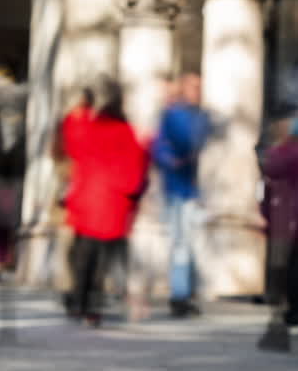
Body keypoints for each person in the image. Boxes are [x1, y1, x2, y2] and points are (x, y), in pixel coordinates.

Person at [61, 80, 147, 327]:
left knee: (83, 256)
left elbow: (73, 147)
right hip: (112, 206)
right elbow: (134, 171)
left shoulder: (89, 128)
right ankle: (92, 307)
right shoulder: (126, 132)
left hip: (87, 202)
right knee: (101, 261)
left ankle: (78, 302)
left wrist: (78, 115)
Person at [152, 73, 210, 317]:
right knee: (181, 244)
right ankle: (180, 295)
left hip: (192, 189)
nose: (197, 91)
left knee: (190, 243)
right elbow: (163, 148)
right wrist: (173, 161)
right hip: (178, 189)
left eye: (199, 87)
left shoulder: (200, 116)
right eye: (193, 87)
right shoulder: (174, 115)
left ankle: (186, 292)